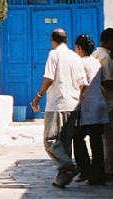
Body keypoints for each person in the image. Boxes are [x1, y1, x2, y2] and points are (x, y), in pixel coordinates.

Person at [30, 28, 87, 189]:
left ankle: (69, 165)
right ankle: (61, 179)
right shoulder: (75, 57)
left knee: (50, 140)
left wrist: (38, 97)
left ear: (53, 40)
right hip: (73, 105)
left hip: (57, 104)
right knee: (64, 142)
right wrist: (77, 99)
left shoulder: (53, 55)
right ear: (66, 40)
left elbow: (49, 78)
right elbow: (83, 83)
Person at [72, 34, 108, 185]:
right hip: (98, 104)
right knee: (96, 141)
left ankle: (85, 169)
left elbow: (82, 84)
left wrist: (75, 101)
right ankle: (98, 174)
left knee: (78, 138)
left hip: (86, 105)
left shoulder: (80, 63)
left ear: (79, 48)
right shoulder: (96, 62)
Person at [92, 28, 113, 179]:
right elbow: (107, 81)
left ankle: (105, 168)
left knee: (105, 140)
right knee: (111, 140)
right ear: (110, 41)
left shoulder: (95, 54)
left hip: (100, 102)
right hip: (108, 103)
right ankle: (109, 170)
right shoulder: (105, 56)